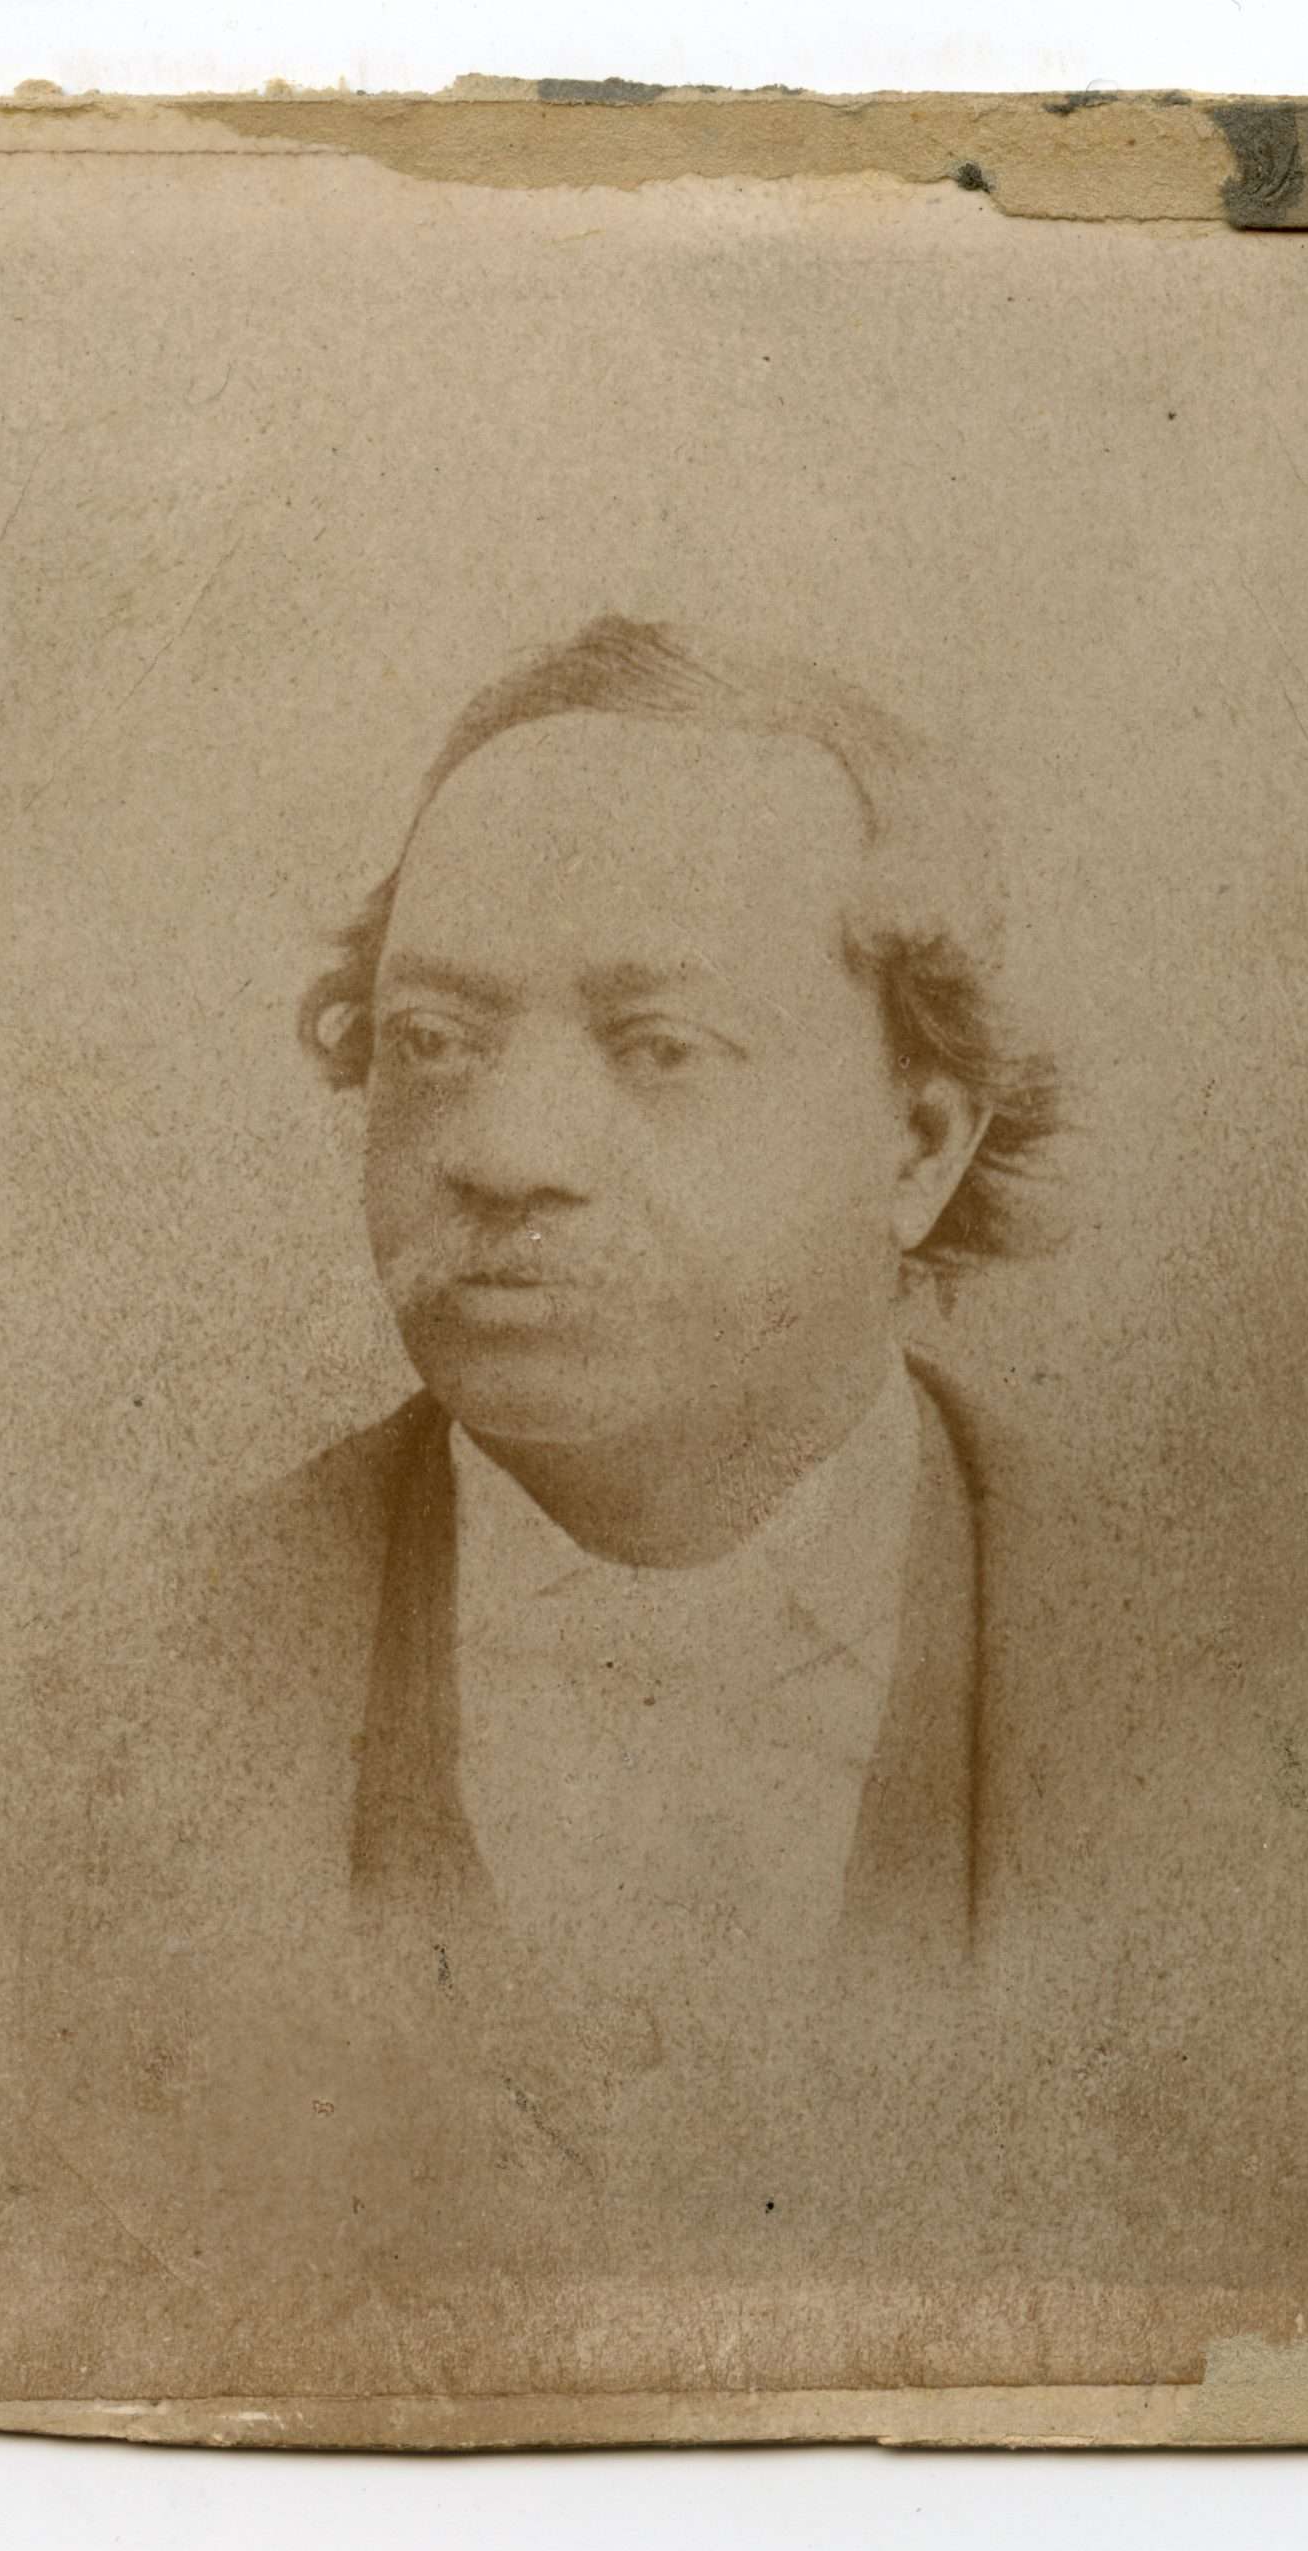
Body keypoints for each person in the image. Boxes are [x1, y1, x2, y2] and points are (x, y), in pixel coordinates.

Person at [263, 613, 1057, 1996]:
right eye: (433, 1040)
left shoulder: (1217, 1680)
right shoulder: (121, 1689)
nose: (507, 1153)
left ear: (921, 1145)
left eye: (662, 1048)